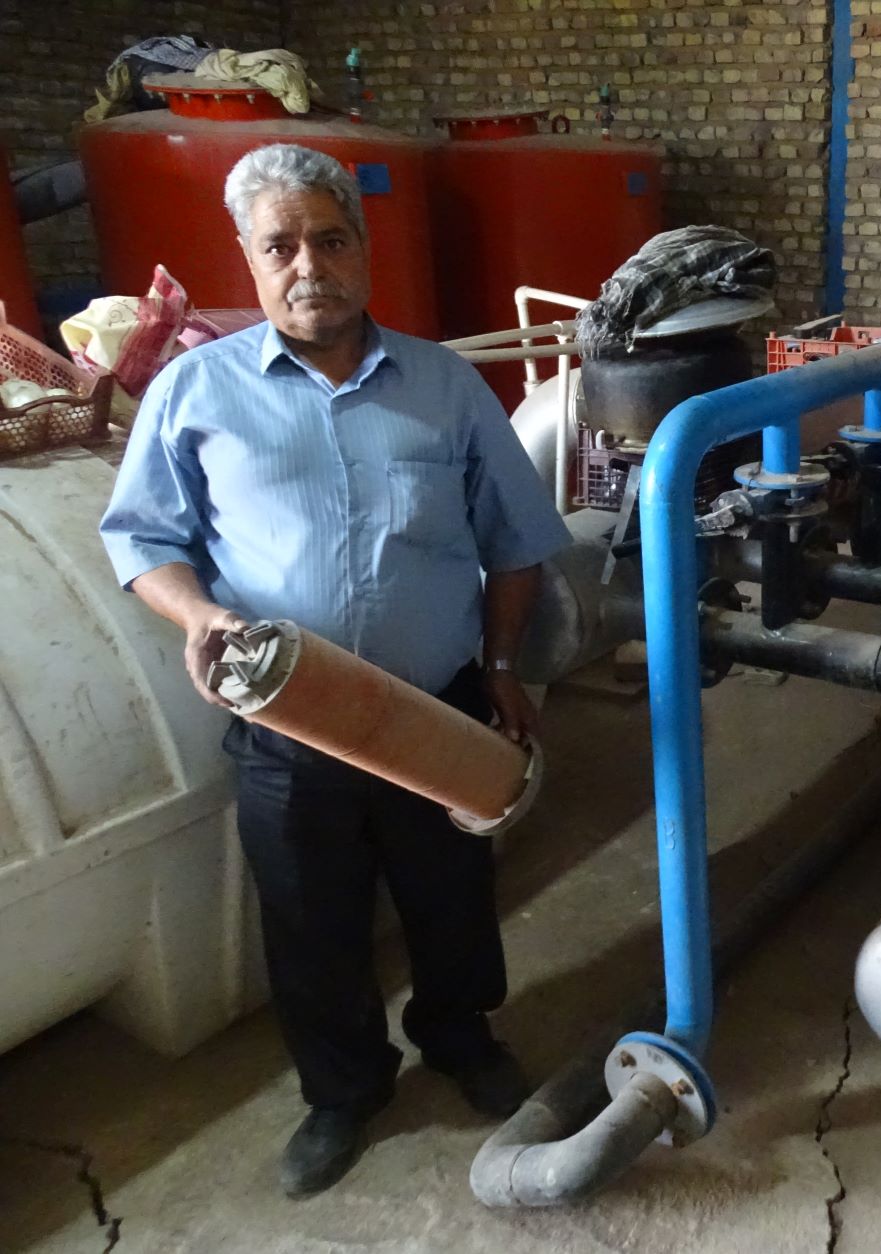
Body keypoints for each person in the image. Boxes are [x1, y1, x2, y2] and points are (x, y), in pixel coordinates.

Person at [100, 143, 570, 1198]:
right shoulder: (196, 389)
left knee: (451, 891)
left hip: (433, 707)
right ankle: (344, 1092)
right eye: (280, 245)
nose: (308, 264)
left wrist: (500, 664)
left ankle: (460, 1036)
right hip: (286, 715)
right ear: (248, 259)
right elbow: (140, 539)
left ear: (362, 247)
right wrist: (200, 611)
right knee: (310, 916)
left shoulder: (447, 387)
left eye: (329, 237)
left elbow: (517, 539)